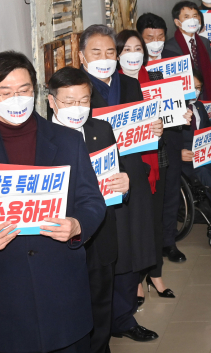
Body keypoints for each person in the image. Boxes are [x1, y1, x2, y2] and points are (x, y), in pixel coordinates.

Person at [0, 51, 106, 353]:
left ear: (34, 90)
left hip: (62, 292)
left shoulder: (67, 141)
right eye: (4, 92)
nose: (15, 98)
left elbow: (91, 201)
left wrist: (77, 225)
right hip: (5, 297)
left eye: (23, 90)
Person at [79, 24, 160, 342]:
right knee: (104, 252)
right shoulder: (76, 90)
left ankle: (123, 318)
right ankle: (99, 321)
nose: (104, 58)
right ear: (82, 56)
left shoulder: (130, 84)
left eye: (110, 52)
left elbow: (140, 129)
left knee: (133, 247)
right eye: (96, 52)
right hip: (97, 181)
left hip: (132, 177)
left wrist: (154, 130)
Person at [48, 67, 129, 353]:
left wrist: (124, 184)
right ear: (51, 101)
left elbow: (117, 172)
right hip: (59, 241)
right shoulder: (40, 139)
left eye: (84, 101)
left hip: (101, 236)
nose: (77, 108)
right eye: (69, 102)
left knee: (100, 305)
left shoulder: (101, 130)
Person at [116, 29, 183, 302]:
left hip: (159, 155)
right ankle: (136, 279)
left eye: (138, 49)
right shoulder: (114, 87)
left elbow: (173, 111)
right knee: (135, 222)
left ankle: (156, 273)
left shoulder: (156, 77)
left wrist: (180, 115)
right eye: (127, 50)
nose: (134, 55)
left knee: (154, 218)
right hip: (131, 163)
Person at [159, 1, 211, 262]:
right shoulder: (169, 50)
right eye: (187, 16)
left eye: (196, 15)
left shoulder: (204, 43)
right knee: (205, 171)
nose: (193, 20)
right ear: (176, 21)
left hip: (204, 124)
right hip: (182, 149)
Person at [181, 74, 211, 197]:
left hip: (204, 154)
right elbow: (167, 139)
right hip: (185, 159)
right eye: (191, 86)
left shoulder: (199, 106)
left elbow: (206, 131)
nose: (195, 91)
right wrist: (178, 153)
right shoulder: (174, 109)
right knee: (204, 172)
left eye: (198, 87)